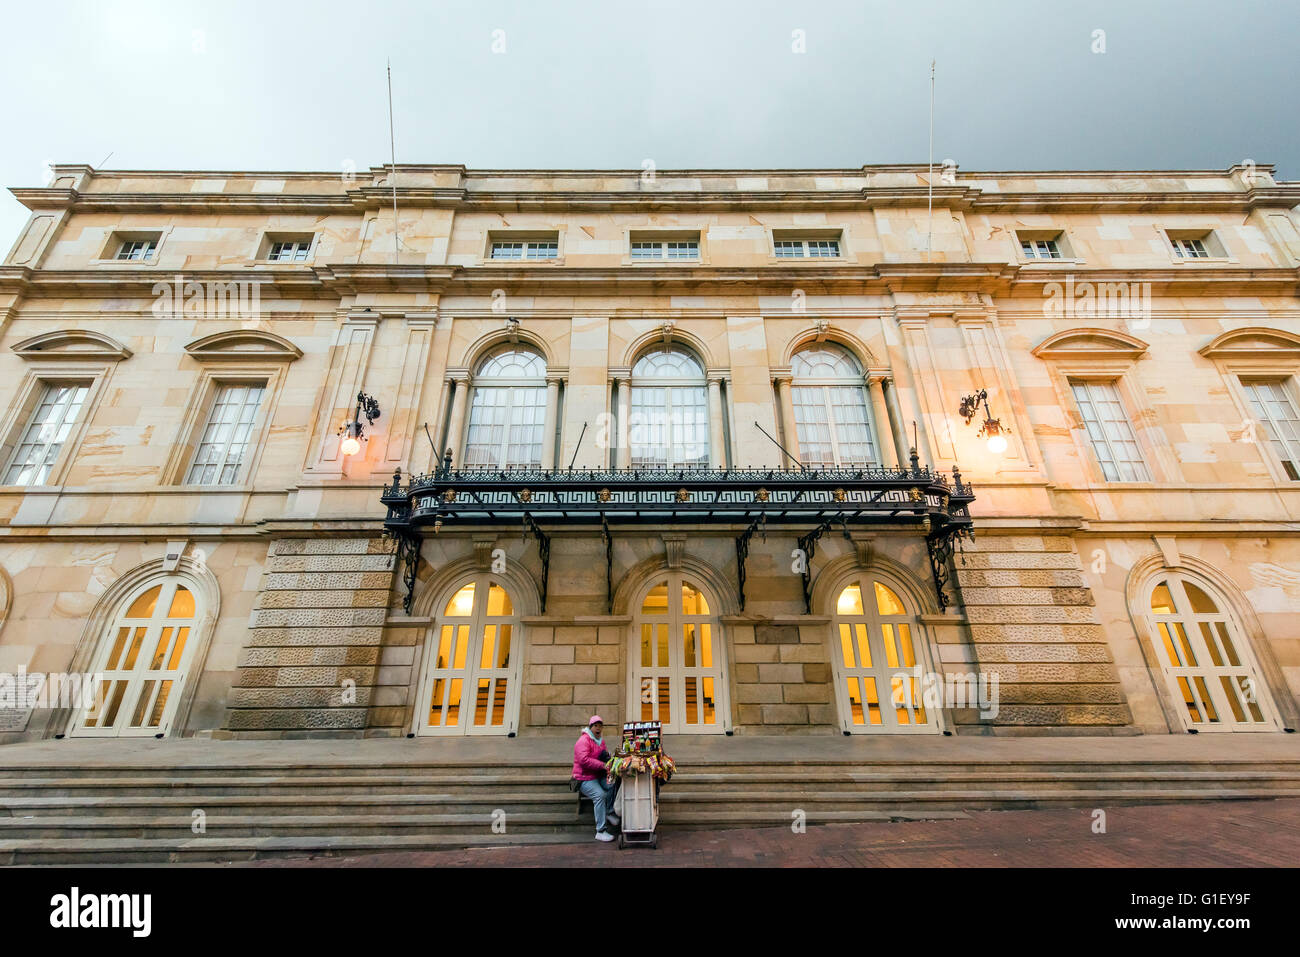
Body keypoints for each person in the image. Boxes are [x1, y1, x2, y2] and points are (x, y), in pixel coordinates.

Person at [572, 715, 620, 841]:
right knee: (600, 795)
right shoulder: (583, 741)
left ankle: (609, 811)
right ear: (590, 727)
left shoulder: (600, 741)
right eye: (595, 726)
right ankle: (601, 830)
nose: (598, 729)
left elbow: (604, 755)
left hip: (597, 775)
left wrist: (610, 761)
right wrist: (603, 765)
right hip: (583, 778)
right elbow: (584, 760)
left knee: (612, 783)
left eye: (600, 726)